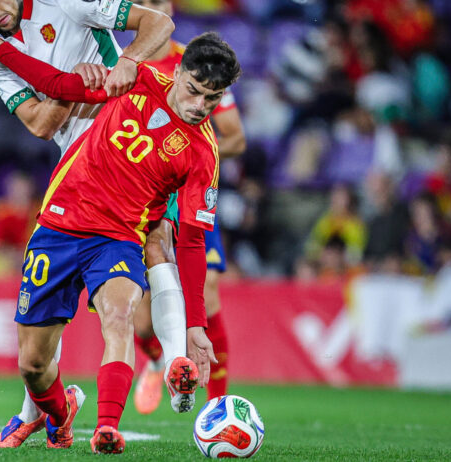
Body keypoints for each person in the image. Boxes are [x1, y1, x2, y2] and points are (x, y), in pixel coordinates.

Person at [0, 12, 240, 452]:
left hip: (117, 239)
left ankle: (109, 425)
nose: (199, 106)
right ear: (177, 72)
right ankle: (60, 414)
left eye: (212, 100)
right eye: (194, 91)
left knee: (119, 318)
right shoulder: (136, 79)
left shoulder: (203, 154)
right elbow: (62, 88)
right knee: (32, 364)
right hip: (59, 225)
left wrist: (199, 326)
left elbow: (193, 242)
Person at [131, 0, 246, 415]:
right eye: (142, 5)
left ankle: (217, 407)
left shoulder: (198, 66)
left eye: (158, 4)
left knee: (208, 293)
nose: (152, 12)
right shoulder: (132, 62)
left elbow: (234, 138)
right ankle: (160, 359)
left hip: (191, 193)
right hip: (145, 197)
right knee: (142, 323)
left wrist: (192, 158)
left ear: (170, 9)